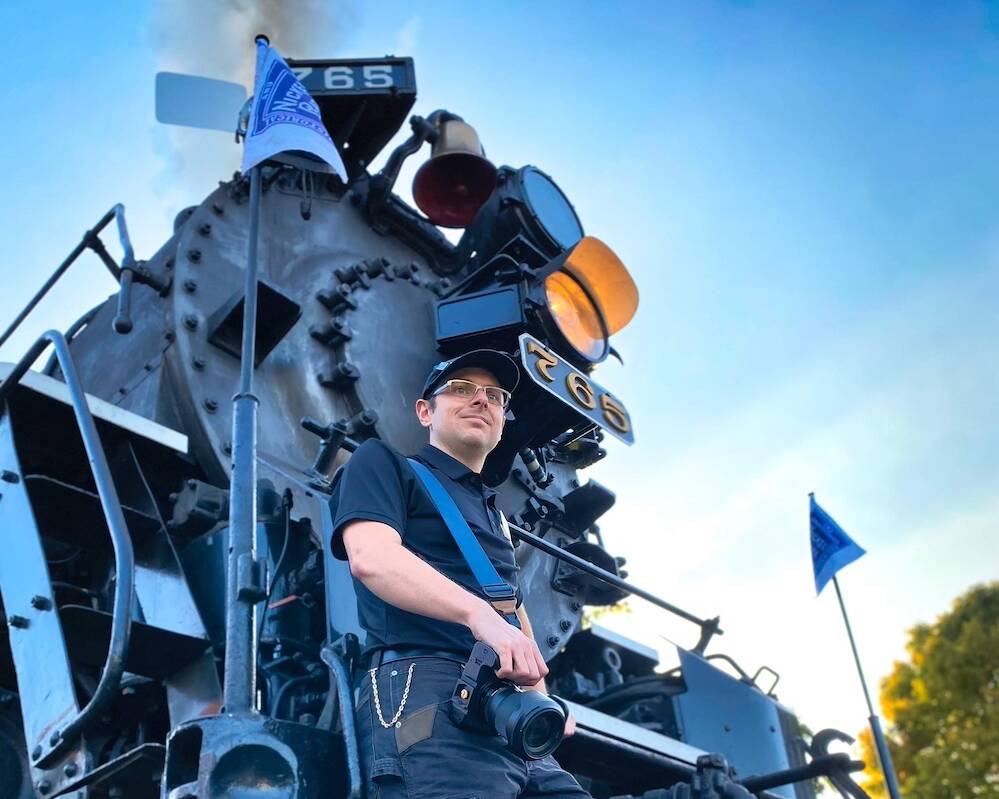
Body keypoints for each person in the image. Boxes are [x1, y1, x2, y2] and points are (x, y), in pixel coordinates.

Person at [329, 348, 590, 799]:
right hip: (426, 693)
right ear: (425, 411)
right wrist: (479, 617)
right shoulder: (384, 463)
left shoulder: (497, 512)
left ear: (504, 417)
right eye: (462, 389)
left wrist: (541, 694)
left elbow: (511, 607)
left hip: (508, 710)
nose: (481, 400)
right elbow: (371, 557)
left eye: (494, 394)